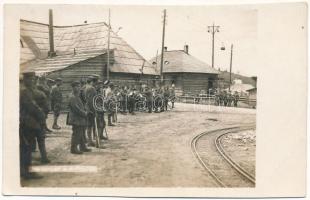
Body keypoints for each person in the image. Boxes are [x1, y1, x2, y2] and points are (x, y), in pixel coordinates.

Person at [20, 72, 45, 179]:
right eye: (30, 79)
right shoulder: (24, 91)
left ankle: (26, 170)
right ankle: (26, 172)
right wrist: (41, 115)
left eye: (33, 79)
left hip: (29, 122)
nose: (33, 81)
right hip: (27, 123)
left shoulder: (28, 90)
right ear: (25, 80)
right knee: (26, 147)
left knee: (28, 147)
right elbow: (31, 106)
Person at [67, 81, 91, 154]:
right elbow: (76, 109)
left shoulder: (77, 96)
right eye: (77, 86)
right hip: (76, 118)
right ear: (73, 87)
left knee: (81, 133)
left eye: (79, 86)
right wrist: (85, 113)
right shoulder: (72, 97)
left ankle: (82, 146)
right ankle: (73, 148)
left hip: (80, 118)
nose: (78, 88)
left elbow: (81, 106)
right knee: (76, 134)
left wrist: (85, 110)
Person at [33, 78, 51, 164]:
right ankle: (44, 157)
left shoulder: (27, 93)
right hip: (40, 120)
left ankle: (30, 154)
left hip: (29, 121)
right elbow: (47, 108)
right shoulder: (42, 95)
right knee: (41, 139)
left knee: (29, 140)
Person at [84, 75, 98, 147]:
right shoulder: (91, 88)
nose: (96, 84)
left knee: (88, 125)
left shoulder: (85, 87)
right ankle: (90, 141)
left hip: (85, 108)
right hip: (90, 109)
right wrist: (93, 110)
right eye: (95, 82)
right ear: (92, 82)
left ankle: (89, 140)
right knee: (90, 125)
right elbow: (91, 101)